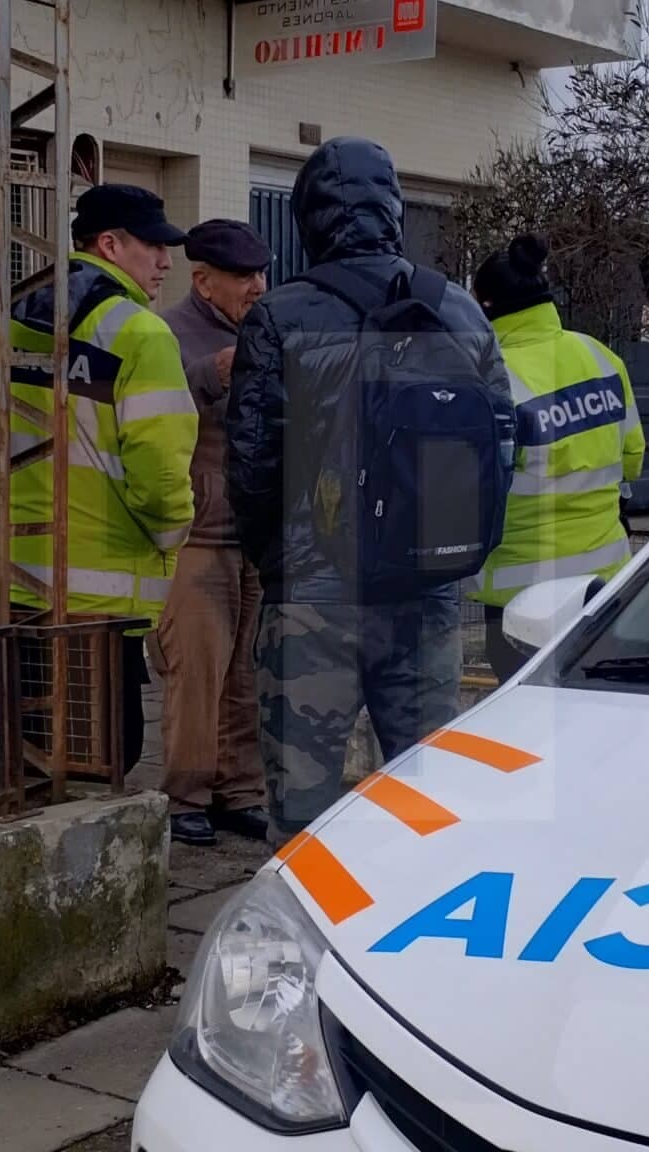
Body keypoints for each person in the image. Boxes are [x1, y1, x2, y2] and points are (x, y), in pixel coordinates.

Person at [227, 137, 515, 842]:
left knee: (304, 814)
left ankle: (311, 941)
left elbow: (253, 462)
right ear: (391, 209)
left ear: (309, 218)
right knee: (428, 804)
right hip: (426, 590)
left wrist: (279, 564)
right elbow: (500, 449)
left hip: (313, 597)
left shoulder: (281, 315)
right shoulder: (460, 310)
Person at [0, 184, 196, 780]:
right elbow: (163, 473)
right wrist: (168, 542)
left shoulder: (1, 324)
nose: (167, 262)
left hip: (18, 586)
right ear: (109, 245)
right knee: (104, 757)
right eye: (154, 246)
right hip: (101, 604)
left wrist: (15, 526)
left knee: (28, 756)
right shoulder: (142, 333)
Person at [467, 234, 642, 680]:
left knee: (532, 728)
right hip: (603, 583)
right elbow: (633, 460)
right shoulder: (601, 358)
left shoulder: (488, 380)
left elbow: (469, 493)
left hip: (520, 599)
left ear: (486, 306)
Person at [152, 220, 273, 846]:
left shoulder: (267, 330)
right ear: (201, 280)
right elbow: (151, 425)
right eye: (243, 276)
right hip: (198, 536)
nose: (258, 286)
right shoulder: (168, 335)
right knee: (195, 671)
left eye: (261, 273)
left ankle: (239, 792)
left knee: (244, 675)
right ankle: (184, 797)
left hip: (253, 534)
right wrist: (207, 376)